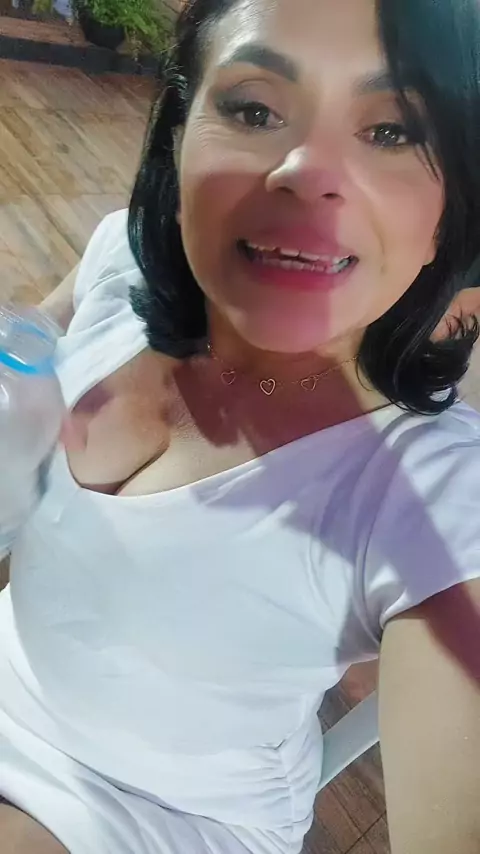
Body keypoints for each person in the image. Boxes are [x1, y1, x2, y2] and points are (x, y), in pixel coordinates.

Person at [1, 0, 480, 851]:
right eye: (254, 109)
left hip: (163, 816)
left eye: (393, 130)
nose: (307, 171)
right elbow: (25, 361)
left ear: (453, 213)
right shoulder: (119, 265)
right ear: (180, 133)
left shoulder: (439, 499)